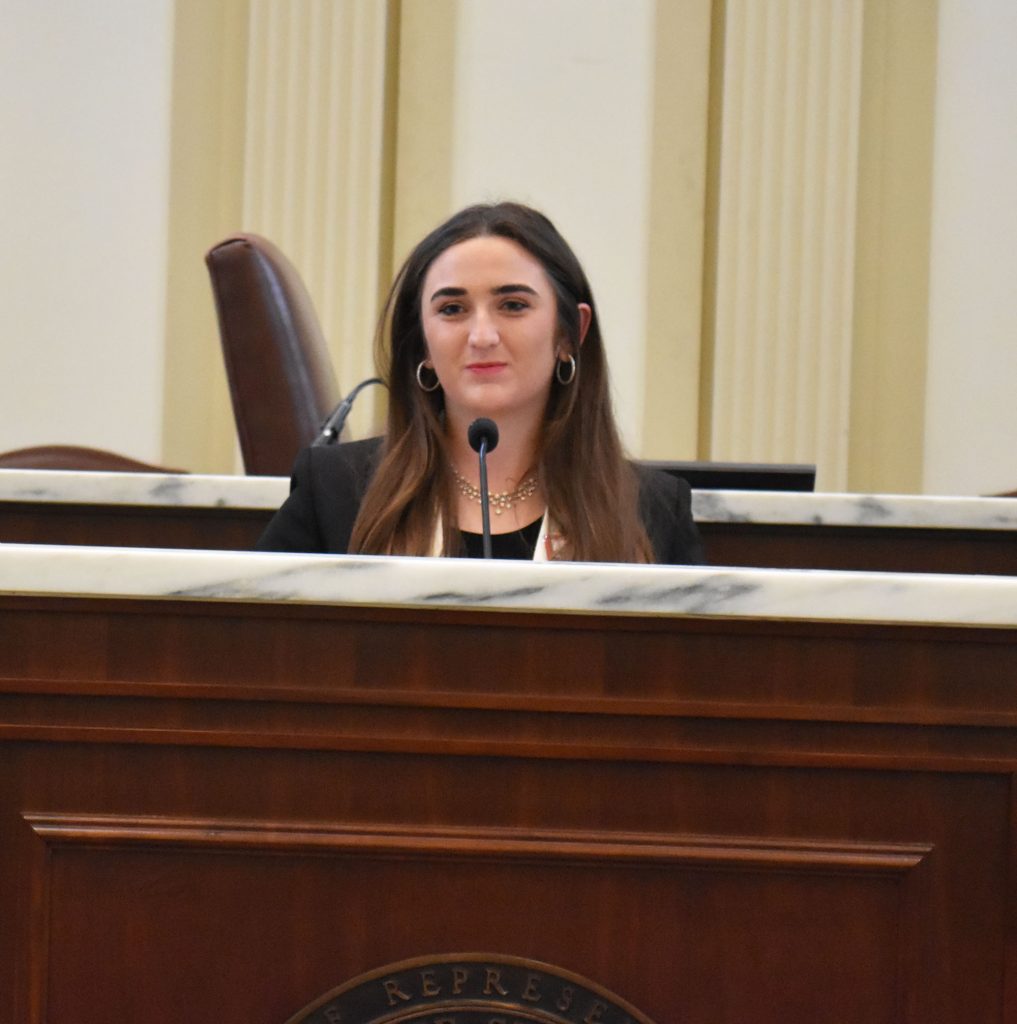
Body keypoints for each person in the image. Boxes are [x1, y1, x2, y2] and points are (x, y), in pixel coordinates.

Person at [256, 202, 704, 564]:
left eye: (512, 305)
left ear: (570, 333)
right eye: (452, 310)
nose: (483, 336)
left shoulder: (652, 509)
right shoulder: (337, 492)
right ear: (422, 346)